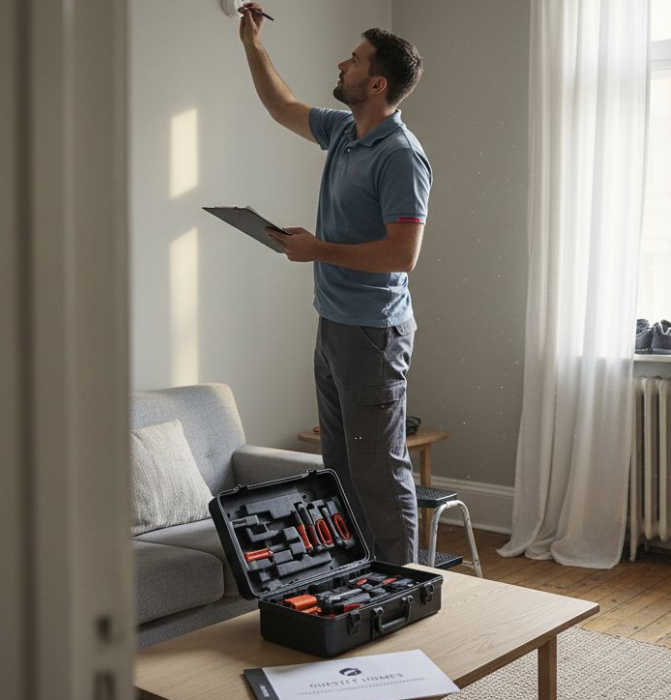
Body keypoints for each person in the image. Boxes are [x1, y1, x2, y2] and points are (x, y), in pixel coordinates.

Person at [237, 3, 431, 565]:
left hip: (374, 332)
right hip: (335, 323)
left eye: (355, 59)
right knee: (341, 465)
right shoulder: (346, 132)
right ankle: (356, 578)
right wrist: (252, 44)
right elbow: (283, 107)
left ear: (376, 83)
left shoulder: (400, 157)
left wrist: (317, 249)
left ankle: (401, 582)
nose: (341, 62)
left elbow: (403, 254)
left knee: (378, 465)